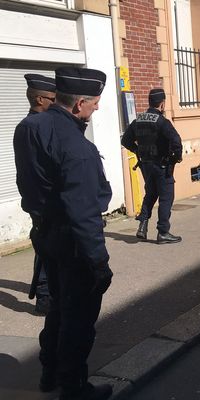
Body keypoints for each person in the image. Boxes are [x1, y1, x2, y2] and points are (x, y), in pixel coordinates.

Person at [13, 67, 113, 400]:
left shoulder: (29, 126)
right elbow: (84, 213)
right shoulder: (76, 147)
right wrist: (99, 263)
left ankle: (49, 371)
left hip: (46, 234)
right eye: (95, 103)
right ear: (79, 104)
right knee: (78, 319)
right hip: (73, 242)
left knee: (57, 307)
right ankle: (74, 389)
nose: (97, 108)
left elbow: (26, 181)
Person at [121, 88, 183, 244]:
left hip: (146, 166)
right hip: (162, 166)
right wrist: (177, 158)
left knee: (150, 194)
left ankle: (142, 225)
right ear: (162, 104)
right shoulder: (162, 122)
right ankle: (163, 232)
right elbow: (176, 142)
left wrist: (137, 151)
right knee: (166, 197)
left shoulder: (138, 120)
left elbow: (125, 141)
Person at [23, 73, 56, 314]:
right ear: (40, 99)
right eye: (53, 98)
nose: (56, 102)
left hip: (35, 199)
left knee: (44, 247)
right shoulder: (39, 126)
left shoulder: (27, 125)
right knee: (49, 249)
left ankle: (44, 292)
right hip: (46, 200)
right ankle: (45, 296)